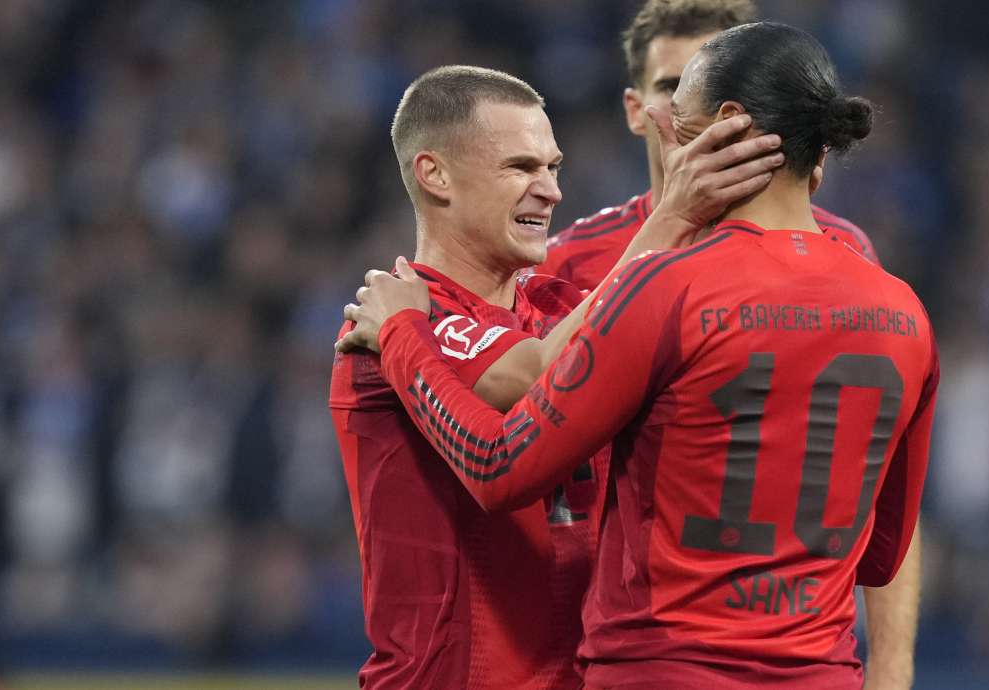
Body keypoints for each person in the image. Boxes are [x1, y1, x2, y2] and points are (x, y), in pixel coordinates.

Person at [345, 22, 938, 690]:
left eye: (676, 114)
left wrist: (402, 335)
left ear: (727, 126)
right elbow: (881, 555)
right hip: (820, 672)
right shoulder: (903, 311)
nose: (659, 127)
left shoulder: (664, 288)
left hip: (664, 668)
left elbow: (500, 465)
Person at [329, 65, 783, 689]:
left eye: (553, 167)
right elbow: (539, 373)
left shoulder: (559, 308)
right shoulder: (398, 320)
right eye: (521, 168)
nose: (551, 192)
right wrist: (672, 215)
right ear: (435, 175)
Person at [536, 3, 921, 688]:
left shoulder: (847, 257)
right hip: (600, 647)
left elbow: (875, 485)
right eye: (672, 85)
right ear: (639, 110)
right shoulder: (565, 264)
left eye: (712, 84)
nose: (711, 119)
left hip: (715, 652)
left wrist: (891, 672)